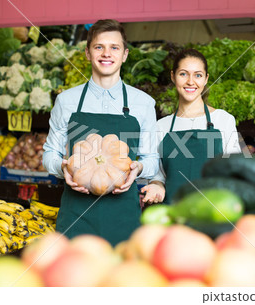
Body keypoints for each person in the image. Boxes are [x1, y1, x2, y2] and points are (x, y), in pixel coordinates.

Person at [42, 19, 159, 246]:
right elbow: (49, 154)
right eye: (99, 47)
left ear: (125, 54)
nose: (107, 54)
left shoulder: (143, 103)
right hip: (76, 215)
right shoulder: (66, 101)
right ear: (87, 53)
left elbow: (152, 160)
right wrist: (62, 167)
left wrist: (140, 168)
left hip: (123, 216)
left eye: (114, 47)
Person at [141, 49, 241, 205]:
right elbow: (158, 176)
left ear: (206, 79)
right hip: (172, 213)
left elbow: (234, 171)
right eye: (183, 74)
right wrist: (156, 186)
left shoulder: (223, 120)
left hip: (213, 213)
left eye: (198, 75)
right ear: (173, 76)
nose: (190, 81)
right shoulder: (162, 126)